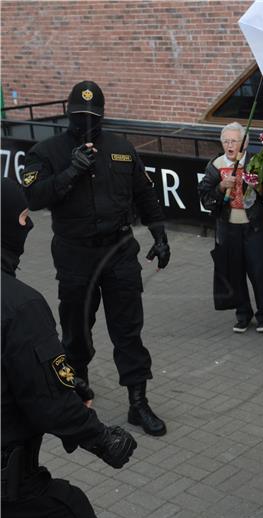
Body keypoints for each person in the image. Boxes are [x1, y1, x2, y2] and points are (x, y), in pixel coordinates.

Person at [21, 81, 168, 436]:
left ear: (101, 116)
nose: (85, 123)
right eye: (79, 116)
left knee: (128, 330)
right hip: (75, 254)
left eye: (92, 117)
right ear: (68, 114)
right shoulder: (46, 152)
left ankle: (137, 403)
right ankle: (78, 393)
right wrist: (70, 171)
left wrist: (160, 234)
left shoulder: (120, 148)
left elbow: (144, 193)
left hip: (119, 251)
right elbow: (35, 196)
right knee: (75, 331)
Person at [1, 178, 138, 518]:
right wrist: (103, 439)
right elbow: (48, 401)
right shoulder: (20, 305)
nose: (28, 226)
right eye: (23, 217)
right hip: (12, 497)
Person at [198, 122, 263, 333]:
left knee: (259, 271)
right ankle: (243, 314)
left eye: (234, 141)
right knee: (234, 272)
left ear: (245, 143)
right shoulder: (215, 165)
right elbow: (205, 197)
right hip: (228, 228)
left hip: (254, 227)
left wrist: (258, 184)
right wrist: (221, 187)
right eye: (226, 141)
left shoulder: (256, 163)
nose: (229, 145)